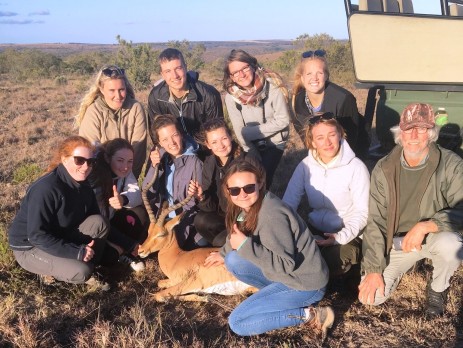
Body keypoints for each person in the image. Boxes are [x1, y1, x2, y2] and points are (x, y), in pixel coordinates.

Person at [204, 159, 334, 339]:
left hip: (305, 284)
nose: (242, 194)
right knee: (233, 260)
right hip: (287, 276)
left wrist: (244, 246)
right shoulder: (248, 208)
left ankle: (312, 315)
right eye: (235, 190)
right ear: (227, 191)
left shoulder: (271, 214)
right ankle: (274, 296)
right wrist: (224, 252)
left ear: (260, 184)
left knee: (238, 322)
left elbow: (285, 265)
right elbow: (237, 232)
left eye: (249, 187)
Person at [358, 103, 463, 316]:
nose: (414, 135)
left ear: (431, 133)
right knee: (371, 299)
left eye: (422, 128)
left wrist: (427, 225)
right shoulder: (384, 167)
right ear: (400, 133)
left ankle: (437, 288)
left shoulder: (451, 164)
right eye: (409, 128)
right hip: (397, 242)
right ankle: (411, 263)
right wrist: (374, 269)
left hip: (434, 236)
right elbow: (376, 220)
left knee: (451, 245)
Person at [8, 136, 119, 290]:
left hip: (60, 234)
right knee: (81, 271)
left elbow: (95, 219)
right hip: (30, 247)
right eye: (79, 160)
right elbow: (36, 236)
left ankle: (92, 267)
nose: (86, 166)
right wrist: (75, 252)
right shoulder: (46, 189)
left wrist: (130, 244)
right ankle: (53, 272)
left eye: (90, 161)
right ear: (64, 159)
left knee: (99, 222)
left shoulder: (84, 184)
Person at [283, 112, 369, 278]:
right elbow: (288, 202)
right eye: (320, 137)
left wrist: (339, 237)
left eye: (332, 135)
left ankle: (350, 265)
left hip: (347, 233)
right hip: (315, 229)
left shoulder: (356, 167)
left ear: (340, 135)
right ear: (312, 142)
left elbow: (362, 213)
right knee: (295, 256)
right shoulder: (305, 166)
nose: (327, 142)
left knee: (326, 262)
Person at [223, 49, 290, 188]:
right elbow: (239, 130)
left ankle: (265, 205)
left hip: (275, 141)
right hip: (250, 144)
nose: (241, 74)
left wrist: (249, 132)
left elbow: (283, 120)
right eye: (235, 72)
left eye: (245, 68)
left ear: (252, 66)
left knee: (263, 178)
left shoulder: (273, 85)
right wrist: (252, 152)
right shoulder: (231, 97)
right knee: (249, 177)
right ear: (231, 77)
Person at [291, 50, 368, 159]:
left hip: (350, 152)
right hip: (320, 153)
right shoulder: (298, 100)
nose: (314, 78)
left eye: (319, 73)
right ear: (302, 78)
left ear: (326, 76)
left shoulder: (343, 99)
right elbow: (306, 135)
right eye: (309, 74)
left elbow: (351, 137)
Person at [75, 65, 148, 179]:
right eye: (112, 90)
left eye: (121, 90)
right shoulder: (93, 112)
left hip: (128, 174)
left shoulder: (135, 108)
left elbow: (138, 150)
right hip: (99, 176)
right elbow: (90, 152)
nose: (118, 96)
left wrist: (127, 178)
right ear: (101, 89)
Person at [143, 114, 203, 250]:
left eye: (174, 135)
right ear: (159, 143)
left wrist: (178, 233)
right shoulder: (159, 157)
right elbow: (149, 193)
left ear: (181, 135)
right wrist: (154, 167)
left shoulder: (195, 163)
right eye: (165, 139)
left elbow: (192, 204)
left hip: (182, 218)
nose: (172, 142)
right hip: (161, 218)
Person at [88, 138, 147, 272]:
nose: (125, 166)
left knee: (140, 214)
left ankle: (123, 251)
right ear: (107, 158)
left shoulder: (125, 171)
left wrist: (123, 199)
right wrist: (129, 244)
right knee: (109, 257)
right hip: (96, 229)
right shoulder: (94, 177)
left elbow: (136, 193)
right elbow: (99, 222)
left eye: (130, 161)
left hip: (111, 220)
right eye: (120, 160)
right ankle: (121, 252)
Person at [147, 48, 223, 145]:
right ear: (162, 75)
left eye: (178, 68)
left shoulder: (208, 95)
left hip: (204, 151)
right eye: (168, 71)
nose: (174, 76)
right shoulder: (156, 97)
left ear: (185, 68)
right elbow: (156, 134)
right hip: (173, 150)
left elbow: (216, 134)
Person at [193, 118, 249, 247]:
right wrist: (202, 197)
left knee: (219, 243)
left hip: (244, 219)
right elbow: (211, 207)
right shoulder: (209, 163)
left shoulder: (246, 162)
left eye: (224, 138)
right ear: (208, 144)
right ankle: (227, 247)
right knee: (201, 220)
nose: (221, 145)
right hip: (225, 216)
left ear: (230, 136)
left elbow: (254, 203)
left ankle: (233, 250)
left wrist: (238, 225)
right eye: (214, 142)